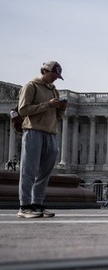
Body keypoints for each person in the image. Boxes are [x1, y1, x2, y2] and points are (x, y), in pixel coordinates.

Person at [16, 61, 66, 218]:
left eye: (57, 77)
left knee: (45, 172)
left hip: (51, 132)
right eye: (53, 75)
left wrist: (61, 108)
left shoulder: (54, 91)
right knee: (28, 170)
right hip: (33, 131)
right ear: (44, 71)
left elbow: (57, 116)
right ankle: (24, 207)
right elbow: (23, 110)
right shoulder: (31, 86)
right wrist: (47, 105)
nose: (55, 79)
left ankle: (37, 204)